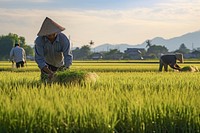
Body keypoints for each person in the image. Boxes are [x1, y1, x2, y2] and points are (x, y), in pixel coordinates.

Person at [34, 17, 73, 81]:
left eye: (53, 34)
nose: (51, 37)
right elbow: (39, 59)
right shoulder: (39, 41)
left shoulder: (63, 39)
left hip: (61, 65)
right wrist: (50, 72)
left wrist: (66, 69)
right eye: (49, 35)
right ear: (45, 34)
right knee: (45, 84)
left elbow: (68, 55)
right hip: (46, 66)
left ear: (57, 32)